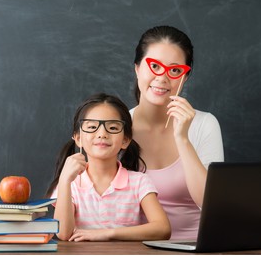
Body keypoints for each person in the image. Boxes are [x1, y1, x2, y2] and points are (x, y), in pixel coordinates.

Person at [130, 26, 224, 239]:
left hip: (195, 250)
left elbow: (211, 205)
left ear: (186, 77)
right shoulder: (116, 127)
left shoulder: (204, 124)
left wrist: (182, 138)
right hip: (132, 250)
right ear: (137, 68)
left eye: (174, 70)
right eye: (154, 66)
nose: (162, 78)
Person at [45, 93, 171, 241]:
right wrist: (65, 180)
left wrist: (107, 233)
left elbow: (163, 229)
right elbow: (63, 233)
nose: (102, 134)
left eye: (112, 127)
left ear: (125, 140)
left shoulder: (139, 182)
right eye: (92, 127)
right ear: (78, 138)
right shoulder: (69, 183)